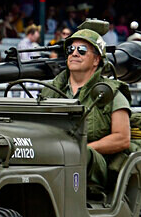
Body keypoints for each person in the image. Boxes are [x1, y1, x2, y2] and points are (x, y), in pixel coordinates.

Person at [38, 28, 131, 193]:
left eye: (81, 50)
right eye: (70, 50)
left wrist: (82, 149)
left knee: (81, 154)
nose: (74, 53)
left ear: (96, 60)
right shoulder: (50, 90)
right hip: (51, 155)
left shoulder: (110, 93)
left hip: (93, 166)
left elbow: (122, 138)